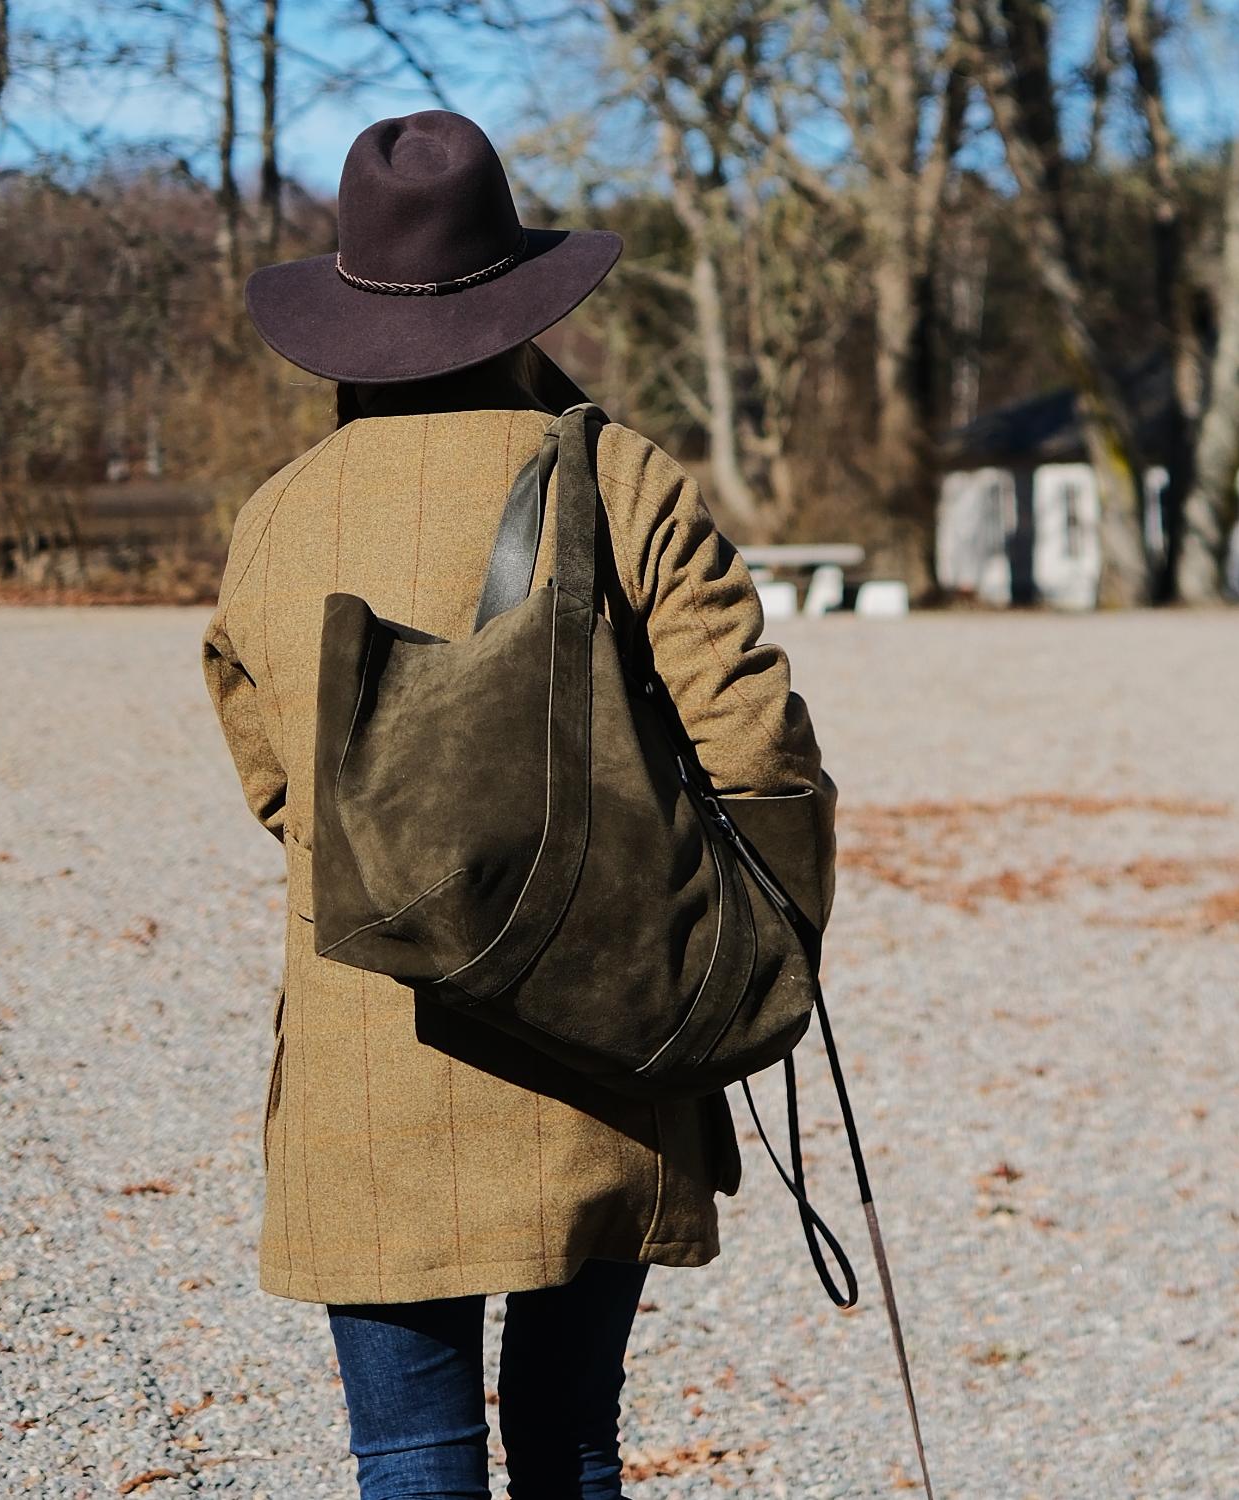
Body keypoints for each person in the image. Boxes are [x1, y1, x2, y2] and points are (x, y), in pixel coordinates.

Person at [202, 109, 832, 1500]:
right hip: (602, 1021)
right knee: (570, 1439)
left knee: (413, 1456)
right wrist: (755, 968)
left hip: (374, 1040)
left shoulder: (277, 518)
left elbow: (276, 787)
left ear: (348, 320)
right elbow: (759, 755)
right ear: (516, 300)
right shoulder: (622, 478)